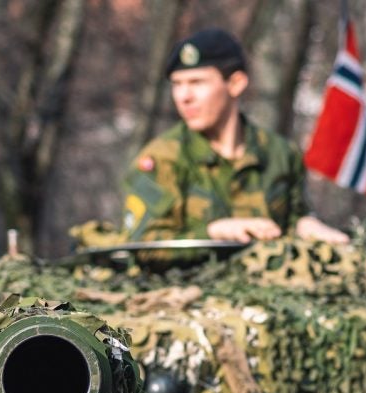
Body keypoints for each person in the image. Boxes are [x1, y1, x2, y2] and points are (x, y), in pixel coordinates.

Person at [121, 28, 349, 245]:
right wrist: (212, 233)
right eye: (177, 84)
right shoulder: (163, 159)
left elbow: (292, 218)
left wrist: (308, 227)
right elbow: (141, 243)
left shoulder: (279, 154)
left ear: (235, 84)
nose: (184, 97)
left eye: (197, 82)